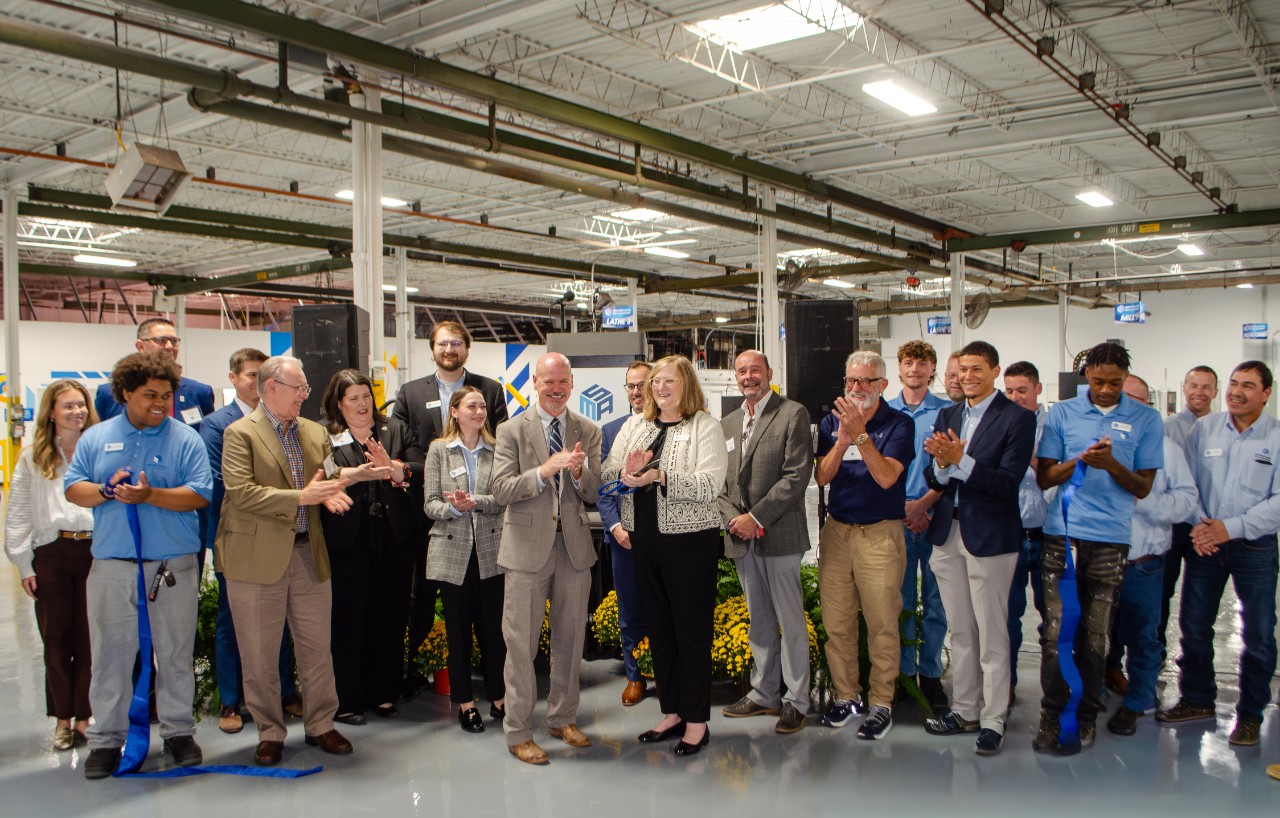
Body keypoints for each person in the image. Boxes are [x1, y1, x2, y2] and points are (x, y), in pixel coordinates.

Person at [64, 352, 213, 779]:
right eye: (150, 395)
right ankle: (107, 741)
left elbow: (199, 494)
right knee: (111, 655)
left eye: (166, 396)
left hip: (172, 566)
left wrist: (150, 496)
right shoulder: (96, 438)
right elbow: (74, 489)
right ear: (126, 392)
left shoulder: (185, 438)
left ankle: (179, 732)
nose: (160, 404)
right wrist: (106, 491)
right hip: (112, 565)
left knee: (175, 653)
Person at [218, 355, 355, 767]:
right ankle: (270, 732)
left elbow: (327, 477)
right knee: (259, 654)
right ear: (271, 387)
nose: (305, 395)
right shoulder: (238, 434)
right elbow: (241, 493)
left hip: (307, 552)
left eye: (306, 389)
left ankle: (321, 724)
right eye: (299, 388)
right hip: (256, 558)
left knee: (317, 648)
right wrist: (303, 497)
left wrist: (332, 491)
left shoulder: (315, 432)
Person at [1033, 342, 1162, 755]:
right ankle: (1052, 715)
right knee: (1056, 633)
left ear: (1126, 380)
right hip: (1062, 537)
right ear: (1086, 375)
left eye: (1115, 383)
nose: (1106, 390)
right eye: (1099, 381)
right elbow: (1046, 478)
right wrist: (1080, 461)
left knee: (1094, 636)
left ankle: (1085, 715)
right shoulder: (1062, 414)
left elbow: (1142, 486)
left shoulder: (1146, 419)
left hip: (1110, 542)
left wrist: (1112, 466)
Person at [604, 355, 727, 756]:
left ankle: (697, 722)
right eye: (655, 381)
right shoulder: (635, 424)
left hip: (690, 543)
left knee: (690, 633)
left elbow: (711, 485)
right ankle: (672, 711)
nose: (659, 388)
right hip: (646, 542)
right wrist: (625, 473)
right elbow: (607, 474)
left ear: (686, 384)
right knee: (660, 631)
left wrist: (659, 476)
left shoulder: (704, 427)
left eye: (669, 381)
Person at [920, 341, 1036, 756]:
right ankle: (965, 709)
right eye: (962, 369)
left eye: (976, 369)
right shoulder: (948, 413)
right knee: (961, 631)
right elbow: (934, 478)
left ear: (994, 371)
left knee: (992, 635)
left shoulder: (1017, 419)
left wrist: (960, 461)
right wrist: (941, 464)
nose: (967, 376)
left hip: (990, 538)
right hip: (947, 536)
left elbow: (1007, 483)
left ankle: (993, 719)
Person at [1157, 361, 1280, 748]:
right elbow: (1187, 483)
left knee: (1258, 634)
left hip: (1253, 547)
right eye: (1233, 383)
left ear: (1266, 393)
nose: (1237, 391)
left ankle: (1249, 714)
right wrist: (1199, 525)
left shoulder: (1276, 437)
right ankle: (1197, 699)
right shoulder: (1204, 429)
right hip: (1205, 545)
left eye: (1248, 385)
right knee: (1194, 626)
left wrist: (1231, 527)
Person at [491, 353, 601, 765]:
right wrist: (543, 471)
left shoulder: (586, 430)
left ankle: (562, 718)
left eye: (563, 383)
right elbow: (501, 489)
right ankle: (518, 731)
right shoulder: (510, 430)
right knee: (519, 645)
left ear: (572, 384)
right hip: (524, 552)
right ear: (534, 381)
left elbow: (593, 490)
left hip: (573, 549)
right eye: (548, 382)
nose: (556, 390)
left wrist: (576, 473)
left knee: (571, 641)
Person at [392, 320, 508, 697]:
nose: (449, 349)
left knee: (490, 621)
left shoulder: (490, 390)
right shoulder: (410, 394)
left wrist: (474, 497)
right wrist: (440, 483)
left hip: (488, 535)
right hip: (431, 516)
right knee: (423, 600)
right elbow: (407, 448)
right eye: (443, 343)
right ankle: (418, 674)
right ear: (432, 348)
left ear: (466, 348)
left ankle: (496, 692)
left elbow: (505, 454)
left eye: (457, 342)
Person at [198, 348, 303, 735]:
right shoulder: (217, 425)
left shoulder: (290, 423)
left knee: (280, 621)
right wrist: (286, 494)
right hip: (241, 538)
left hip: (286, 535)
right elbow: (225, 484)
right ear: (233, 378)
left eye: (264, 375)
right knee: (233, 621)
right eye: (250, 375)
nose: (258, 382)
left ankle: (285, 691)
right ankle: (231, 699)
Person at [814, 350, 914, 740]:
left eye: (864, 382)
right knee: (837, 624)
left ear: (882, 386)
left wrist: (860, 434)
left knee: (881, 624)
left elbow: (888, 478)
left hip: (880, 535)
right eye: (850, 381)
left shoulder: (900, 424)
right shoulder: (829, 422)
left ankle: (882, 703)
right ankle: (846, 696)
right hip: (838, 533)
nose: (855, 389)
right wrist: (840, 441)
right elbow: (822, 477)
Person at [717, 351, 811, 733]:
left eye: (755, 370)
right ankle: (764, 694)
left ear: (770, 374)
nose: (748, 376)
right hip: (742, 538)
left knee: (790, 619)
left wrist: (755, 518)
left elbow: (796, 476)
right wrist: (735, 521)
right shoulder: (727, 423)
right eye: (742, 371)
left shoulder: (792, 414)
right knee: (759, 620)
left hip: (780, 534)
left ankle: (797, 700)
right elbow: (719, 483)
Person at [319, 369, 417, 725]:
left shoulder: (395, 429)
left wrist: (393, 467)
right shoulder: (324, 435)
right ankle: (348, 700)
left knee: (389, 617)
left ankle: (384, 693)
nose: (362, 404)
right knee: (347, 619)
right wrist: (360, 473)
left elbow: (416, 466)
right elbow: (321, 475)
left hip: (392, 538)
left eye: (366, 396)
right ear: (339, 403)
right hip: (347, 540)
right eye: (353, 398)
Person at [5, 379, 98, 751]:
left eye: (81, 405)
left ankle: (85, 719)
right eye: (68, 406)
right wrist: (23, 565)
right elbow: (18, 515)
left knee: (91, 641)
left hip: (95, 551)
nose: (76, 412)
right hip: (52, 554)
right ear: (51, 412)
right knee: (56, 642)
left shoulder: (98, 451)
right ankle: (62, 720)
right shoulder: (34, 456)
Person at [1105, 375, 1197, 737]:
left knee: (1143, 636)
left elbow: (1187, 502)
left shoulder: (1166, 450)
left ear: (1148, 407)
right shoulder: (1094, 447)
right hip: (1096, 560)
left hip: (1142, 563)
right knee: (1093, 635)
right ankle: (1091, 695)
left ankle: (1138, 701)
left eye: (1136, 400)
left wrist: (1141, 500)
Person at [424, 386, 507, 732]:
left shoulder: (498, 450)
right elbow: (429, 504)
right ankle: (466, 703)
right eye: (471, 406)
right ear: (455, 411)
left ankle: (500, 697)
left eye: (483, 406)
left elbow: (503, 497)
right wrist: (453, 508)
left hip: (491, 553)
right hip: (453, 551)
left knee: (494, 631)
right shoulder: (439, 451)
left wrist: (477, 502)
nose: (479, 411)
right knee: (457, 633)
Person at [885, 340, 950, 714]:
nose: (915, 368)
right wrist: (904, 508)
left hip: (935, 515)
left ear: (932, 369)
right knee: (902, 602)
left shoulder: (947, 413)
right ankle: (905, 674)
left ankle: (931, 674)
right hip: (895, 518)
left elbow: (950, 467)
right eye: (908, 362)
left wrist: (924, 504)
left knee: (937, 603)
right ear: (899, 369)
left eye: (922, 363)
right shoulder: (884, 412)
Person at [597, 360, 653, 706]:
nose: (636, 391)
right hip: (623, 539)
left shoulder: (669, 427)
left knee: (662, 606)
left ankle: (662, 668)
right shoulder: (610, 430)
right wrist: (615, 527)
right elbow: (603, 485)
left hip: (662, 538)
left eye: (642, 384)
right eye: (631, 385)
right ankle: (635, 676)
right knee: (629, 609)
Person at [1156, 365, 1219, 666]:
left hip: (1208, 527)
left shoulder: (1222, 430)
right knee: (1160, 595)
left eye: (1206, 387)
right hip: (1172, 523)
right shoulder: (1167, 428)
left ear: (1215, 392)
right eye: (1194, 386)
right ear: (1184, 388)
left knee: (1199, 603)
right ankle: (1155, 658)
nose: (1199, 392)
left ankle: (1194, 667)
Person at [1002, 360, 1049, 702]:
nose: (1015, 398)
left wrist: (1029, 456)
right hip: (1010, 535)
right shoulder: (1002, 426)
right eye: (1009, 391)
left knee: (1055, 621)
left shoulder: (1056, 427)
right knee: (1008, 617)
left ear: (1038, 390)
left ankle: (1055, 688)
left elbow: (1058, 475)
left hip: (1050, 536)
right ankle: (1007, 684)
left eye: (1022, 391)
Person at [93, 318, 214, 426]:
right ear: (140, 346)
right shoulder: (108, 394)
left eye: (174, 341)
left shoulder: (199, 392)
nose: (169, 346)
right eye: (162, 340)